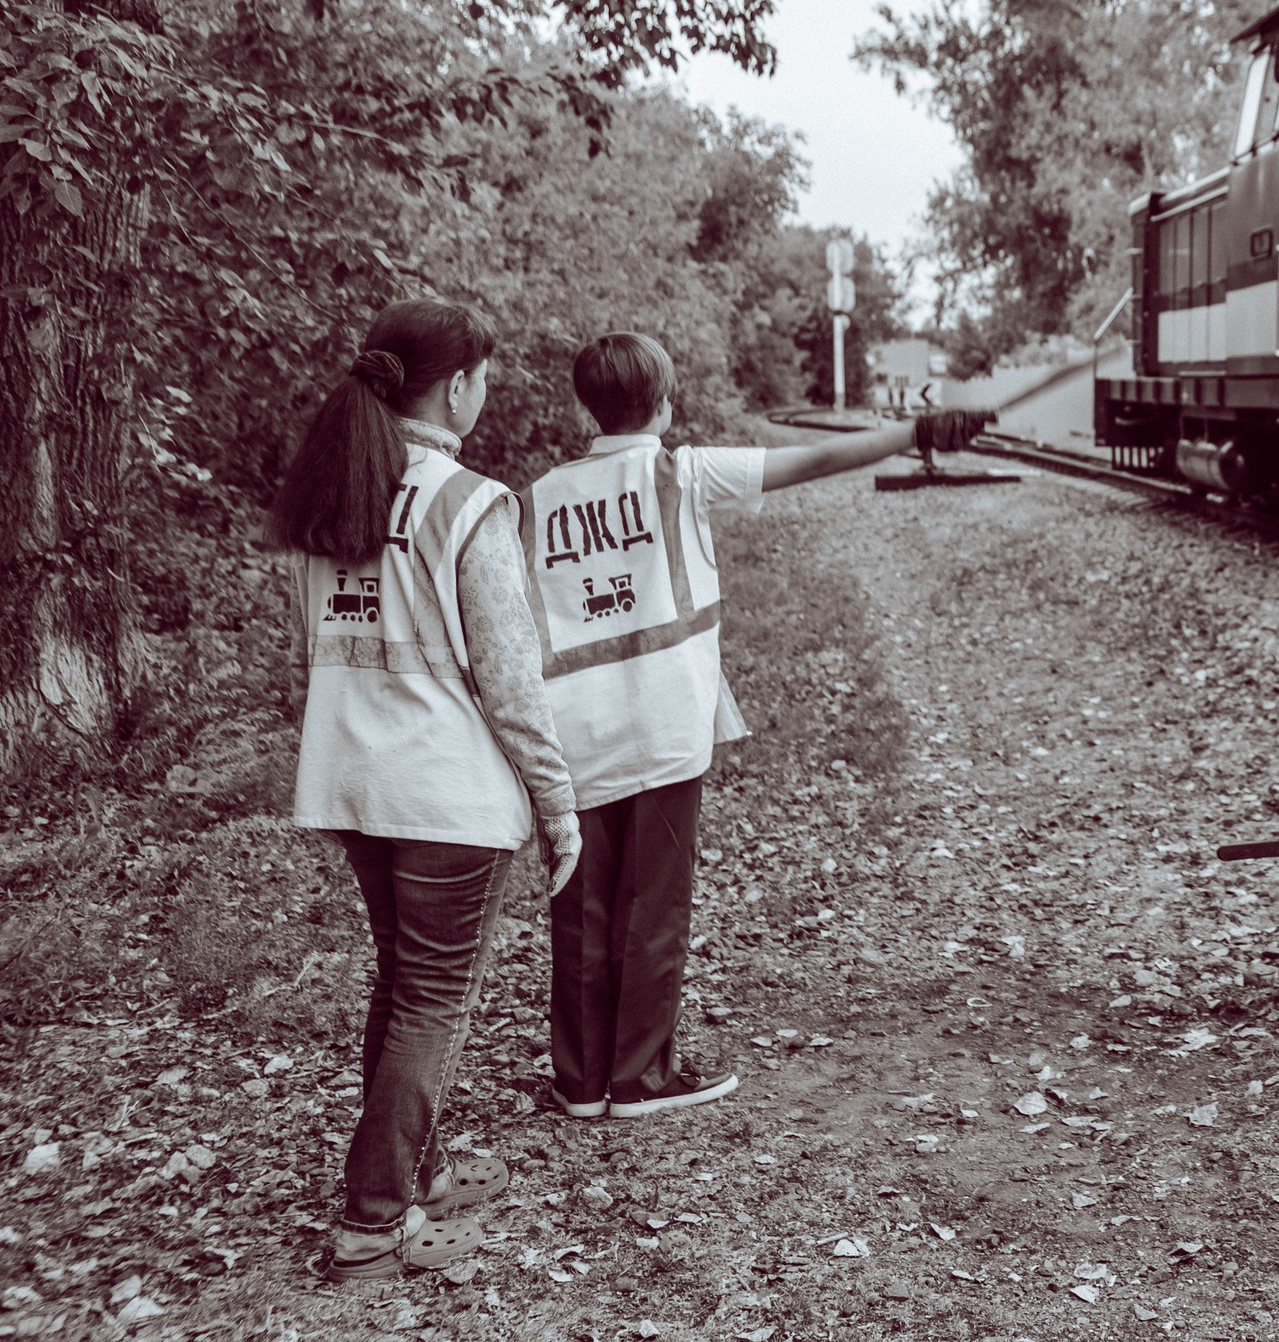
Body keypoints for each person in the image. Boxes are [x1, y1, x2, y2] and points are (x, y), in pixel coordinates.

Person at [525, 333, 991, 1120]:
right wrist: (917, 432)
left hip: (572, 731)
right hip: (665, 724)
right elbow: (813, 463)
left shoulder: (535, 498)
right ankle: (639, 1078)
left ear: (583, 408)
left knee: (580, 902)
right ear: (666, 405)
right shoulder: (683, 470)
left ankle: (579, 1081)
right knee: (654, 901)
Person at [269, 299, 584, 1282]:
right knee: (433, 999)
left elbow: (313, 653)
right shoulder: (467, 502)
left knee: (402, 985)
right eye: (485, 377)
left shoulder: (333, 493)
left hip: (354, 780)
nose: (487, 392)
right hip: (445, 791)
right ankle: (371, 1221)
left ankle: (418, 1170)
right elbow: (510, 677)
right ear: (456, 386)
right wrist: (558, 802)